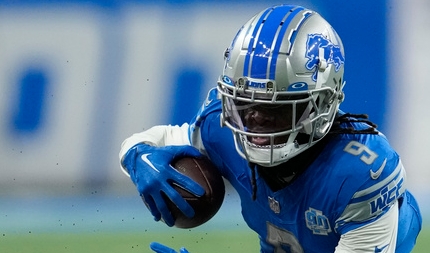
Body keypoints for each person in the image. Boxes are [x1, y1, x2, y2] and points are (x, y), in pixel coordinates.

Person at [119, 4, 422, 253]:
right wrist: (138, 157)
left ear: (322, 103)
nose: (256, 122)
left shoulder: (359, 173)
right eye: (245, 106)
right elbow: (154, 140)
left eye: (275, 110)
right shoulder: (221, 129)